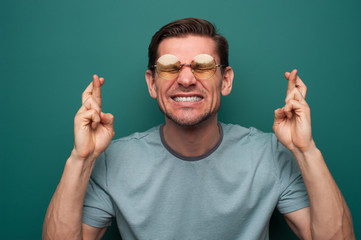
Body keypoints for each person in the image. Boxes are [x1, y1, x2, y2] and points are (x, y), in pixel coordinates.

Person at [43, 18, 355, 240]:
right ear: (152, 83)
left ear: (226, 80)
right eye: (169, 68)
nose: (187, 79)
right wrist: (81, 159)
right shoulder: (114, 160)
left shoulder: (270, 155)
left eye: (203, 66)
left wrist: (305, 150)